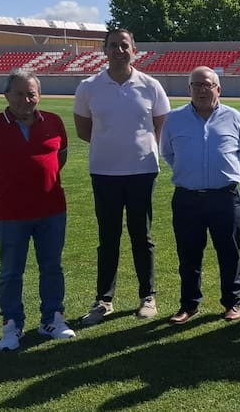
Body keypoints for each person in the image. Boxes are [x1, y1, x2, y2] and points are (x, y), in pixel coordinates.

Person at [0, 70, 75, 351]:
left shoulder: (54, 122)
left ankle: (52, 319)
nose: (26, 99)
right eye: (19, 94)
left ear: (39, 95)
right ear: (6, 95)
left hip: (52, 209)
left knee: (52, 267)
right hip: (10, 214)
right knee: (11, 271)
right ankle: (12, 324)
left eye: (31, 94)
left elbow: (59, 157)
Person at [73, 28, 171, 324]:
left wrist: (136, 148)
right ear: (104, 50)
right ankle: (104, 300)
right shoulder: (88, 87)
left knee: (142, 236)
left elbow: (161, 127)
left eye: (124, 45)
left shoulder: (151, 86)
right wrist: (112, 145)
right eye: (113, 45)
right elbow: (83, 130)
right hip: (104, 172)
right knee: (108, 237)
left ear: (134, 50)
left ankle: (148, 296)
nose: (119, 50)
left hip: (142, 171)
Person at [159, 67, 240, 324]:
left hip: (225, 197)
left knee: (229, 252)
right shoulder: (174, 119)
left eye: (207, 85)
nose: (201, 90)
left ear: (218, 89)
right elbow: (168, 153)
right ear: (189, 89)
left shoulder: (233, 117)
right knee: (188, 255)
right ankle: (189, 305)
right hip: (187, 198)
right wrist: (191, 173)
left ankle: (232, 303)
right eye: (196, 85)